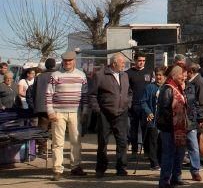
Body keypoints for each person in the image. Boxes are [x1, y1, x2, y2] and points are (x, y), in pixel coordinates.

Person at [45, 51, 88, 181]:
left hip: (75, 113)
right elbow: (48, 94)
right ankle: (57, 170)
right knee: (58, 142)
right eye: (65, 61)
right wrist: (50, 111)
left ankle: (75, 167)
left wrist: (85, 111)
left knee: (76, 141)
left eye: (70, 61)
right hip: (58, 113)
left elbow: (85, 95)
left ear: (74, 61)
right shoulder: (55, 75)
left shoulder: (81, 75)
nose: (67, 63)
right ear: (62, 61)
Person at [89, 53, 132, 177]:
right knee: (103, 142)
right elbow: (92, 94)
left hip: (121, 114)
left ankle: (121, 168)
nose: (124, 64)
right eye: (122, 62)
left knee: (122, 141)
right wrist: (98, 110)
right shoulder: (100, 75)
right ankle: (101, 168)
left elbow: (129, 92)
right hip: (105, 114)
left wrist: (127, 104)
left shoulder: (124, 75)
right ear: (114, 63)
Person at [156, 65, 189, 188]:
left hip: (179, 127)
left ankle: (176, 177)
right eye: (182, 75)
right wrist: (174, 121)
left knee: (179, 154)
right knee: (168, 154)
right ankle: (165, 180)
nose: (184, 78)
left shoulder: (178, 87)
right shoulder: (167, 88)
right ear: (174, 75)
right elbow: (164, 109)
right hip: (169, 128)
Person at [126, 53, 154, 163]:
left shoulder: (149, 72)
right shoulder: (128, 73)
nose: (141, 62)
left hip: (145, 106)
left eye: (143, 60)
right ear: (135, 60)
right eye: (139, 60)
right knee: (133, 129)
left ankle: (146, 151)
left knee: (145, 128)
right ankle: (134, 151)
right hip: (133, 105)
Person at [185, 63, 203, 178]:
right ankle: (197, 162)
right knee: (197, 139)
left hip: (200, 116)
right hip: (195, 116)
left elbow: (202, 101)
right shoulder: (194, 82)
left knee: (200, 139)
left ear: (191, 71)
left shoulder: (199, 82)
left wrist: (202, 117)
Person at [141, 68, 165, 170]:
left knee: (162, 141)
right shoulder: (150, 87)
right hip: (153, 119)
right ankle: (154, 163)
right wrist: (148, 112)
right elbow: (143, 101)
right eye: (157, 75)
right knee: (153, 141)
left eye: (161, 75)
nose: (158, 77)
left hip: (164, 119)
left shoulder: (167, 87)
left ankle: (161, 161)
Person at [32, 58, 57, 153]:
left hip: (41, 106)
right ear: (54, 65)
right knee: (55, 128)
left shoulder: (39, 77)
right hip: (54, 106)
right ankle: (55, 147)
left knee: (43, 128)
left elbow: (34, 92)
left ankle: (42, 148)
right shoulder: (57, 75)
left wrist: (36, 104)